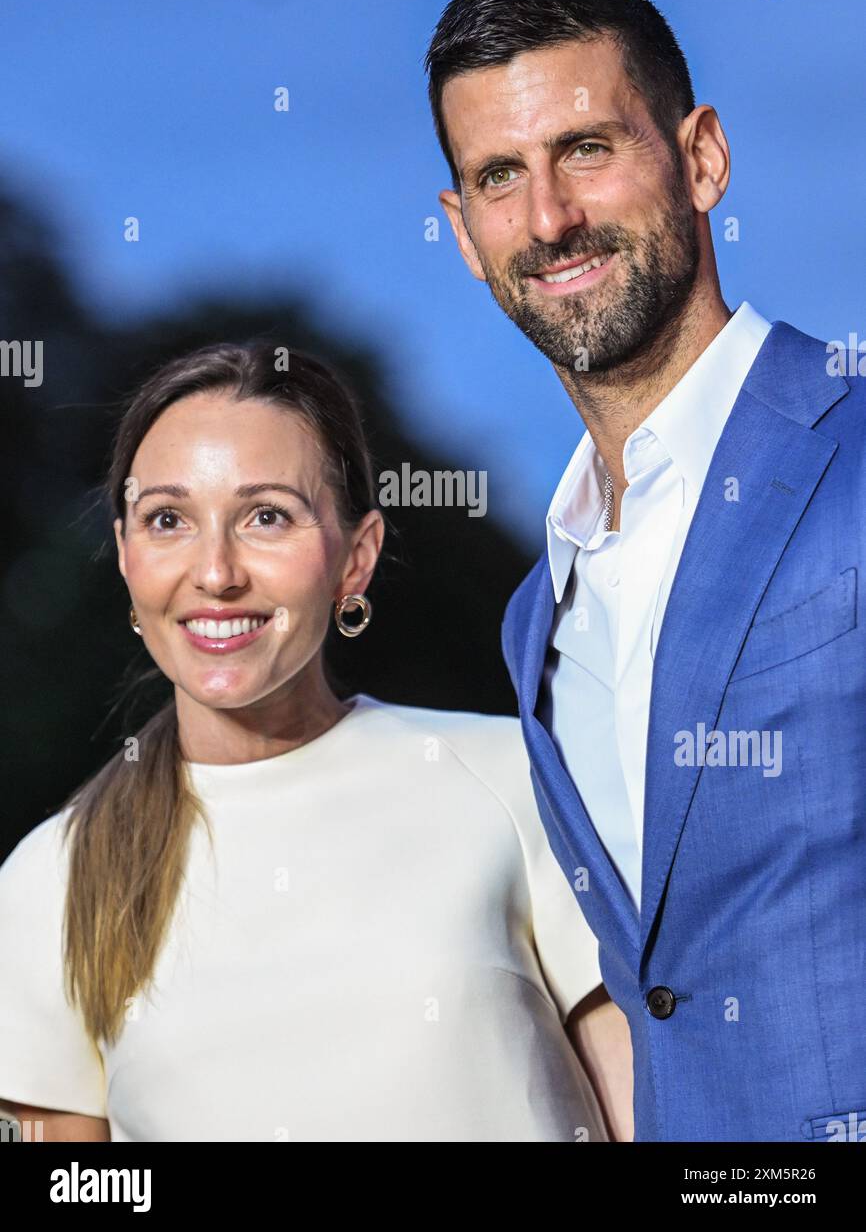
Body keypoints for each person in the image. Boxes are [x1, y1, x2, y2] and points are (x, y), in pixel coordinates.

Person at [426, 0, 866, 1143]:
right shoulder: (538, 612)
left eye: (586, 148)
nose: (548, 218)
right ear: (462, 234)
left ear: (701, 158)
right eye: (497, 177)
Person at [0, 340, 628, 1143]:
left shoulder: (517, 780)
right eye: (168, 520)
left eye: (267, 516)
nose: (216, 571)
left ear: (355, 560)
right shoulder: (50, 879)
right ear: (126, 555)